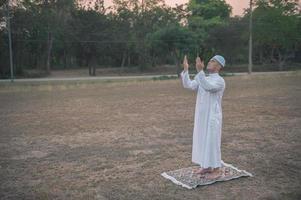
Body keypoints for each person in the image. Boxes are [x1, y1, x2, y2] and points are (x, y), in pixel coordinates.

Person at [180, 55, 226, 180]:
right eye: (210, 60)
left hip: (212, 117)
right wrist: (186, 70)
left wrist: (200, 71)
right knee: (202, 140)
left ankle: (217, 169)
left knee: (212, 142)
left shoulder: (220, 81)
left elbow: (208, 87)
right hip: (201, 117)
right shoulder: (203, 77)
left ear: (219, 66)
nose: (209, 62)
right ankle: (206, 166)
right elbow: (188, 85)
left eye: (213, 61)